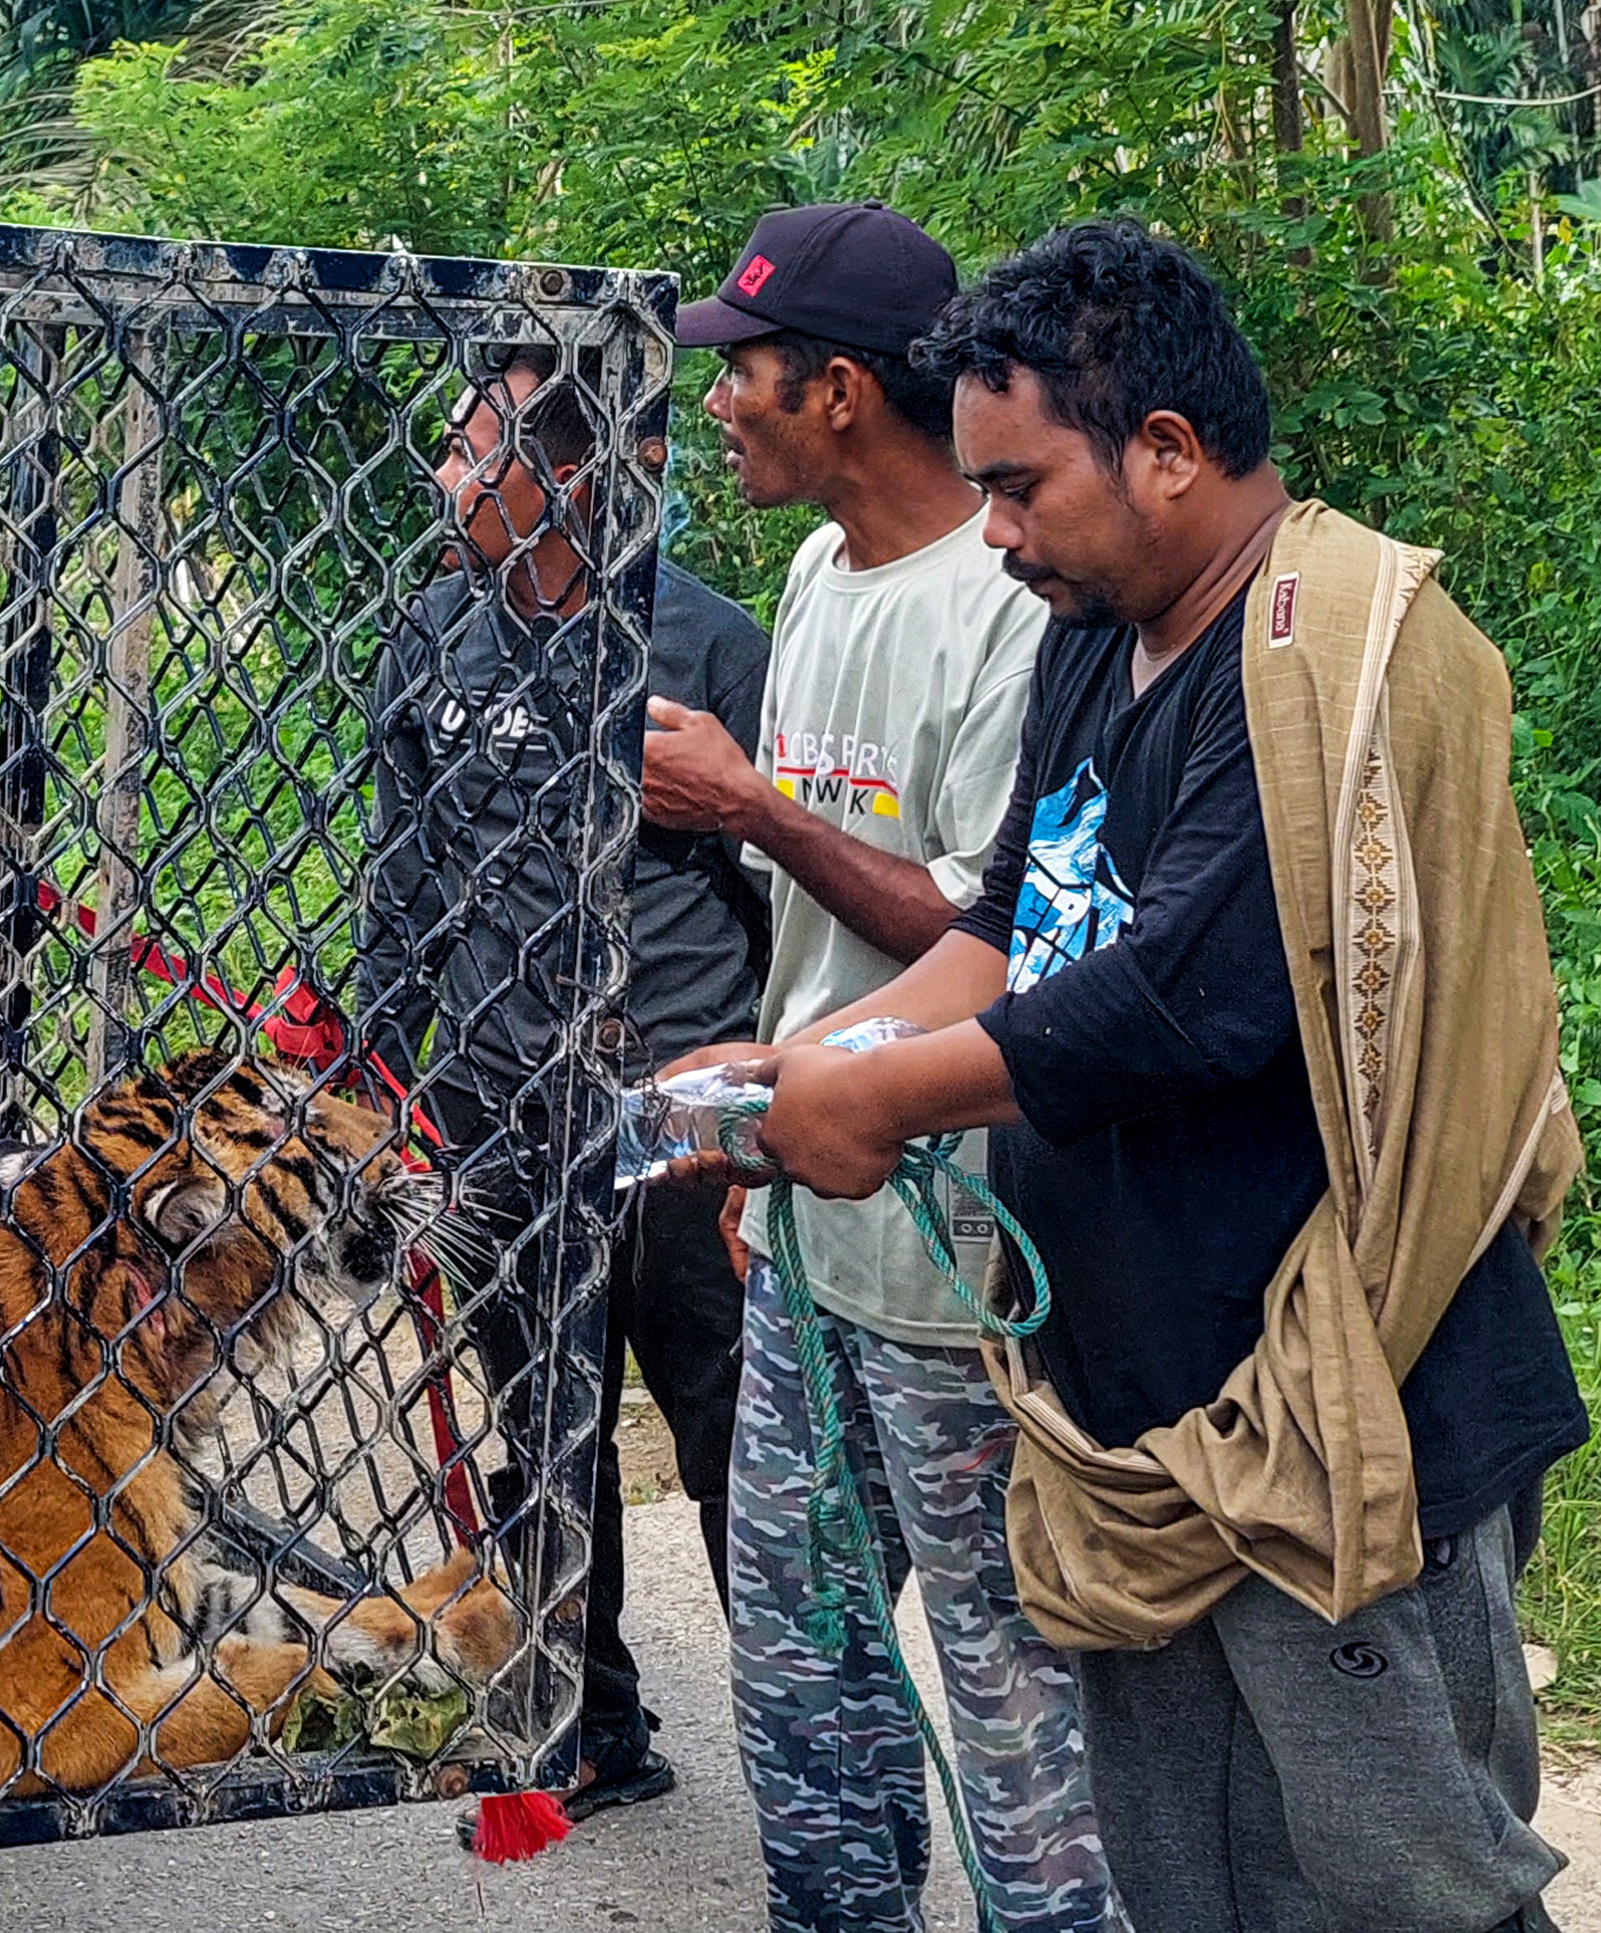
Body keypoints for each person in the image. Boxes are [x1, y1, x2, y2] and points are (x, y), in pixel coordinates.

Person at [747, 221, 1586, 1933]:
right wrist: (799, 1066)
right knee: (1185, 1883)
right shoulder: (1092, 628)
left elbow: (1182, 1003)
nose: (993, 531)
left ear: (1169, 451)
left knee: (1410, 1891)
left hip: (1339, 1417)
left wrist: (880, 1104)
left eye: (1018, 487)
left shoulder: (1321, 657)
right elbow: (1012, 926)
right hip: (1136, 1420)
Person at [637, 203, 1114, 1932]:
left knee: (1007, 1679)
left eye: (743, 371)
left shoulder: (1014, 601)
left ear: (837, 389)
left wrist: (751, 806)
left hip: (961, 1248)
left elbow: (1001, 936)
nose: (718, 404)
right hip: (810, 1219)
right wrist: (769, 1129)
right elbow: (821, 938)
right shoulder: (815, 578)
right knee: (799, 1658)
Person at [360, 345, 771, 1827]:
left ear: (575, 475)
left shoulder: (708, 648)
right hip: (493, 1100)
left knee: (729, 1424)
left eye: (477, 450)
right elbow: (405, 876)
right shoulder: (434, 635)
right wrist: (377, 1079)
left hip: (675, 1105)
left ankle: (805, 1738)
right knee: (544, 1423)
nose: (446, 477)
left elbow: (780, 895)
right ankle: (591, 1722)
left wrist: (766, 1103)